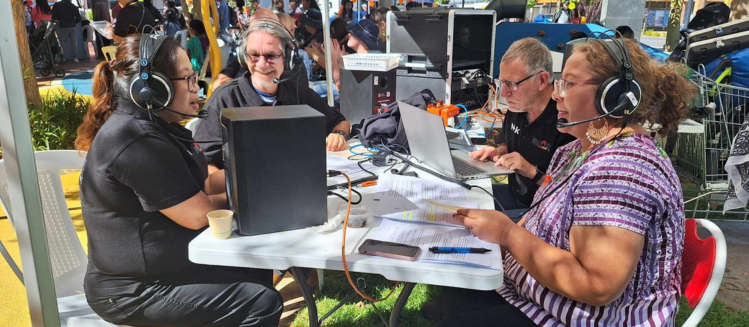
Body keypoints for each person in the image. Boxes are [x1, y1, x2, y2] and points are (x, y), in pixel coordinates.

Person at [430, 36, 692, 327]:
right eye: (559, 83)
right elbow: (536, 219)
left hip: (585, 319)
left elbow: (597, 285)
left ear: (615, 95)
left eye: (569, 83)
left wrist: (506, 234)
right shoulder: (575, 150)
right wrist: (495, 238)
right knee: (452, 279)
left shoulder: (622, 171)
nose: (557, 95)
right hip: (539, 300)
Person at [75, 34, 283, 327]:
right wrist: (256, 189)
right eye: (187, 78)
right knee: (260, 302)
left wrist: (261, 172)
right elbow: (198, 213)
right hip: (132, 291)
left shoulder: (158, 127)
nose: (196, 86)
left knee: (257, 270)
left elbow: (203, 184)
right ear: (152, 89)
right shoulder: (135, 141)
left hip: (162, 272)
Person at [195, 17, 349, 172]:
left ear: (287, 59)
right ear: (243, 58)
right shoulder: (224, 99)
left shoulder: (298, 93)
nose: (262, 64)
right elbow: (205, 165)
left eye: (271, 56)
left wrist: (339, 135)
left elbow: (341, 123)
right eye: (254, 55)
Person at [468, 38, 574, 219]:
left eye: (512, 84)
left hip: (541, 211)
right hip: (512, 194)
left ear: (542, 80)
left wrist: (531, 171)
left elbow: (565, 193)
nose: (504, 94)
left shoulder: (566, 121)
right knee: (460, 201)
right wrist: (497, 151)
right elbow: (509, 144)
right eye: (502, 83)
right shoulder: (518, 107)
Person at [211, 8, 309, 90]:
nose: (262, 64)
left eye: (271, 55)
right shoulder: (243, 57)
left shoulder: (291, 61)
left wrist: (239, 88)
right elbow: (217, 84)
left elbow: (271, 90)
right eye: (254, 31)